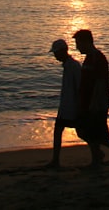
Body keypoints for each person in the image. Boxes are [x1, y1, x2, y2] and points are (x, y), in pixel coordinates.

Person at [72, 29, 109, 166]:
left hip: (97, 103)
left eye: (78, 43)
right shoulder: (89, 58)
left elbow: (100, 83)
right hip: (87, 102)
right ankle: (98, 155)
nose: (77, 47)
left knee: (98, 133)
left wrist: (94, 103)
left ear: (86, 42)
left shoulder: (98, 58)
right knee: (85, 131)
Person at [45, 38, 82, 168]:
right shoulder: (68, 65)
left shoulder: (73, 66)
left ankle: (106, 149)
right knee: (59, 130)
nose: (55, 56)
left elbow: (79, 88)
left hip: (72, 108)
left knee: (84, 133)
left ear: (62, 51)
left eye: (56, 53)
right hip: (67, 108)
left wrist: (79, 107)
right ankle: (55, 160)